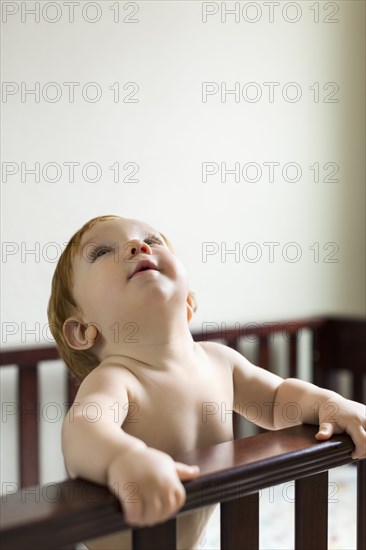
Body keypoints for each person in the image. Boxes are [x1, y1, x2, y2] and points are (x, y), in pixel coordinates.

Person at [48, 214, 366, 550]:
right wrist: (122, 459)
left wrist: (328, 403)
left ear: (187, 302)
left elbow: (276, 399)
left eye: (152, 240)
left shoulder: (218, 361)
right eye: (100, 252)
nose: (137, 246)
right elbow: (83, 428)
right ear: (82, 330)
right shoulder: (117, 379)